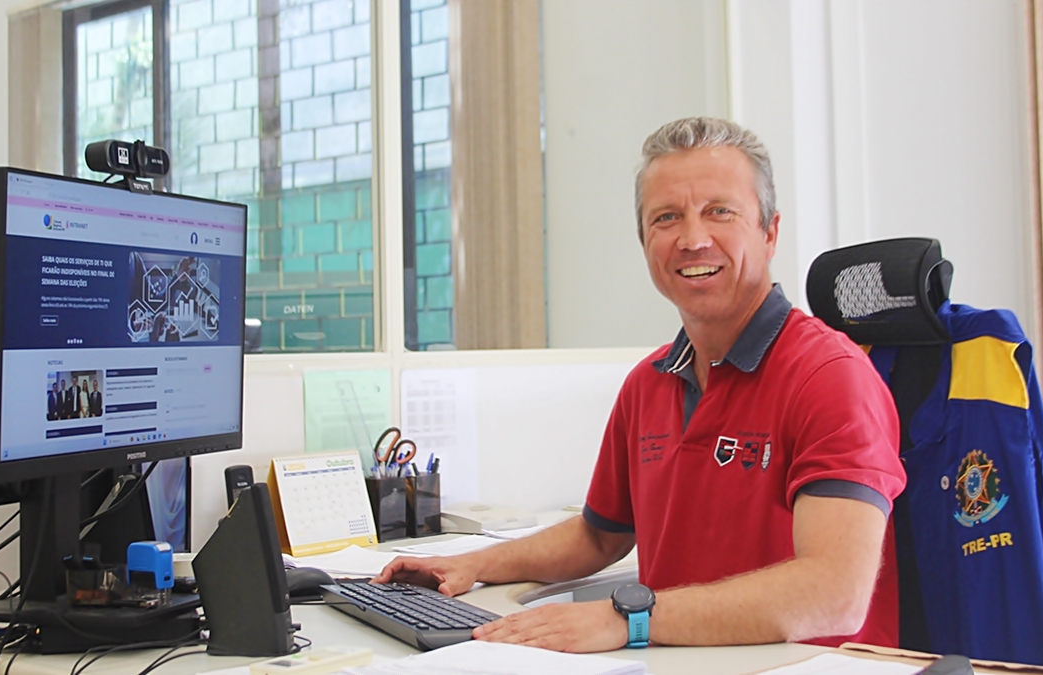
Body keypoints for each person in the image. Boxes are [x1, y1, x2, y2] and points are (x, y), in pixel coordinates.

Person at [374, 117, 907, 653]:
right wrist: (468, 565)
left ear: (769, 232)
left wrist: (626, 620)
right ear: (644, 240)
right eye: (666, 218)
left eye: (719, 212)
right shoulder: (648, 384)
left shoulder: (829, 377)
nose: (693, 239)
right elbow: (600, 534)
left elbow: (836, 592)